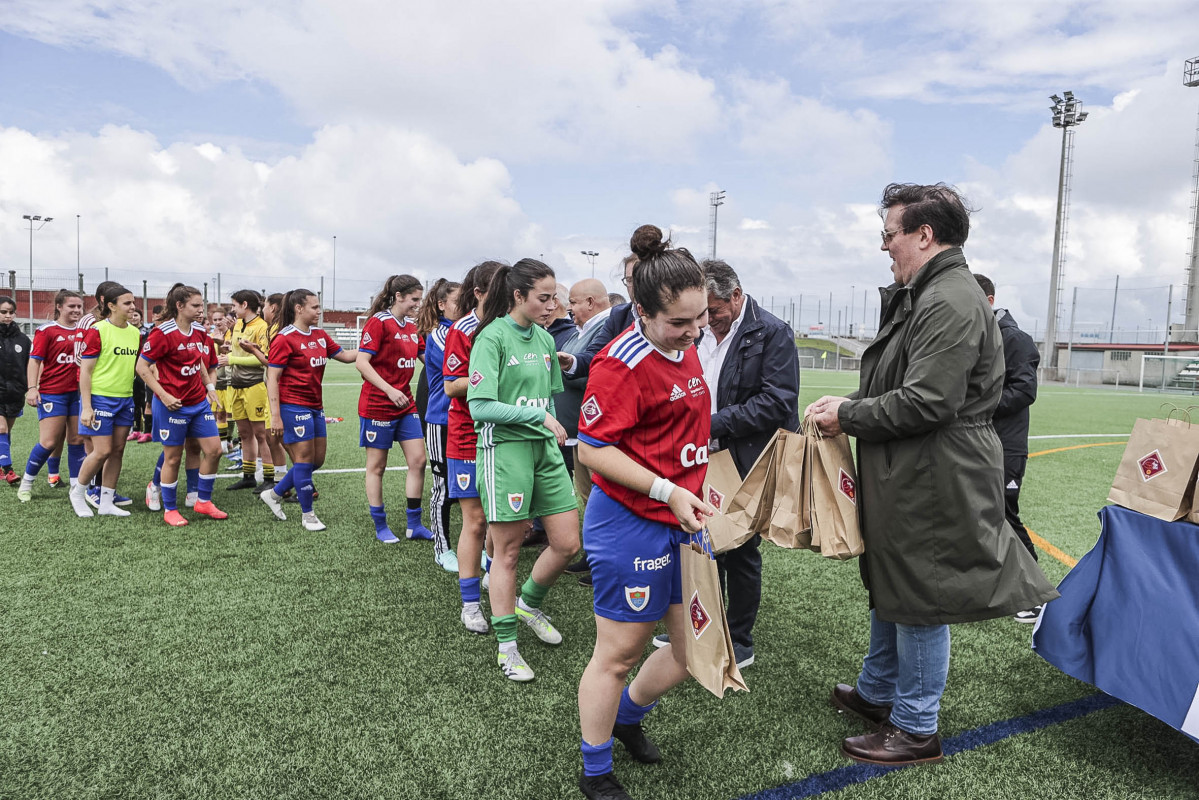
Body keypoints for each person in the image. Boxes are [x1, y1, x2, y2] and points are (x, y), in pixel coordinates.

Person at [806, 183, 1058, 767]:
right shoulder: (929, 291)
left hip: (935, 467)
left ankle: (916, 727)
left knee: (921, 592)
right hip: (914, 464)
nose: (884, 247)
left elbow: (928, 401)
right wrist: (852, 403)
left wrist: (849, 414)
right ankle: (880, 693)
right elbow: (906, 387)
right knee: (894, 574)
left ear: (924, 235)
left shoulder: (948, 298)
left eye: (889, 235)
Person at [574, 225, 716, 800]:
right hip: (631, 523)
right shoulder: (621, 362)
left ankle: (628, 719)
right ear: (641, 311)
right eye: (679, 323)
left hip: (683, 520)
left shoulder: (686, 347)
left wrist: (694, 488)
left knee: (689, 652)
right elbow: (591, 448)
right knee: (619, 653)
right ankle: (595, 769)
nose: (693, 332)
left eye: (700, 318)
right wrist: (666, 490)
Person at [653, 258, 800, 668]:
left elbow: (779, 401)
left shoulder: (771, 332)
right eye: (700, 313)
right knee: (699, 541)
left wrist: (709, 423)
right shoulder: (697, 333)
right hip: (699, 455)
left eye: (712, 310)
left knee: (740, 548)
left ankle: (738, 638)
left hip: (745, 457)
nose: (705, 320)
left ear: (736, 296)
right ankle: (698, 625)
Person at [467, 259, 581, 681]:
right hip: (506, 452)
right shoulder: (492, 337)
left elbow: (548, 398)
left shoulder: (546, 340)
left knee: (568, 544)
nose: (553, 305)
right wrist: (539, 419)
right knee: (508, 553)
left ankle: (528, 603)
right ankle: (507, 647)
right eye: (544, 298)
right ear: (518, 296)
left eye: (555, 298)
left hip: (544, 451)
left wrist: (549, 424)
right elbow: (479, 405)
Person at [259, 288, 358, 532]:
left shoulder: (320, 335)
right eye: (314, 307)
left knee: (316, 460)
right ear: (298, 309)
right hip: (292, 406)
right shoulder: (284, 338)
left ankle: (274, 494)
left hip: (316, 406)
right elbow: (273, 377)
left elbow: (345, 356)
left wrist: (373, 349)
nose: (319, 311)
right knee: (303, 460)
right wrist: (275, 415)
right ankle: (308, 516)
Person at [974, 273, 1042, 622]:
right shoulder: (979, 335)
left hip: (1007, 447)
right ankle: (992, 586)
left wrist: (979, 403)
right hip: (979, 444)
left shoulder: (1015, 339)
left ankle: (1035, 594)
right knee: (981, 516)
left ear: (987, 300)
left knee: (1004, 515)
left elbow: (1025, 391)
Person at [136, 283, 229, 527]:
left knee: (214, 450)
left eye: (203, 305)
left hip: (197, 402)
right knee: (173, 458)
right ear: (179, 306)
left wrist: (210, 388)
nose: (202, 310)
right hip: (172, 406)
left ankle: (203, 501)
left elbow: (199, 361)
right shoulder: (162, 333)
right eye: (196, 305)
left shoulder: (199, 331)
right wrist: (164, 395)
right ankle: (170, 509)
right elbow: (141, 368)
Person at [356, 274, 435, 545]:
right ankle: (380, 524)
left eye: (419, 299)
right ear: (398, 296)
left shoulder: (411, 327)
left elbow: (428, 359)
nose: (417, 304)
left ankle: (414, 524)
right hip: (378, 405)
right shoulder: (378, 323)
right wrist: (389, 389)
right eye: (414, 299)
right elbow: (362, 363)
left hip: (406, 405)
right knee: (377, 467)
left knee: (418, 461)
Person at [67, 283, 141, 518]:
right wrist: (87, 406)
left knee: (118, 450)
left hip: (125, 399)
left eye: (133, 302)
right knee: (102, 451)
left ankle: (106, 501)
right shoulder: (98, 330)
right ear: (111, 305)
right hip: (101, 399)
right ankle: (78, 493)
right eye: (127, 303)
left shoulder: (135, 332)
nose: (133, 306)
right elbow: (86, 371)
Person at [557, 279, 611, 584]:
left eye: (573, 303)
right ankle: (593, 557)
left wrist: (565, 368)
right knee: (589, 496)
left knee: (600, 498)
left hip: (595, 429)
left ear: (591, 302)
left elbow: (594, 374)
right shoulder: (582, 331)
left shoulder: (605, 327)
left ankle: (602, 561)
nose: (569, 310)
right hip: (580, 430)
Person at [18, 290, 87, 501]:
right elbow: (35, 360)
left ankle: (76, 488)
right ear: (59, 307)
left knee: (76, 440)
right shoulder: (46, 331)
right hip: (52, 393)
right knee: (49, 442)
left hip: (77, 394)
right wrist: (32, 388)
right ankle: (27, 482)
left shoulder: (86, 331)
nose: (76, 310)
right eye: (71, 306)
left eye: (79, 307)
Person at [416, 278, 463, 571]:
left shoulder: (466, 331)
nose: (464, 307)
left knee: (473, 491)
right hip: (442, 420)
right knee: (443, 487)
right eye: (458, 301)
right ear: (442, 304)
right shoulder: (439, 335)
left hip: (469, 421)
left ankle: (476, 548)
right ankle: (442, 547)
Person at [222, 290, 276, 493]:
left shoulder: (262, 327)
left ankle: (270, 477)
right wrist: (228, 350)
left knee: (261, 434)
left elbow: (263, 358)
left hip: (255, 386)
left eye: (234, 305)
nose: (232, 309)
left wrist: (233, 359)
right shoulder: (237, 325)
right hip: (235, 385)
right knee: (244, 434)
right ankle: (248, 476)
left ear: (245, 305)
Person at [0, 296, 32, 484]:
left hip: (15, 394)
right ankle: (9, 470)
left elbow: (29, 365)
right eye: (3, 312)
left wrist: (29, 387)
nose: (8, 316)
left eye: (11, 312)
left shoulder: (23, 340)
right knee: (1, 428)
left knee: (6, 432)